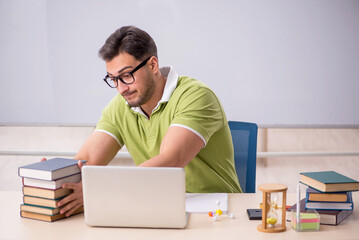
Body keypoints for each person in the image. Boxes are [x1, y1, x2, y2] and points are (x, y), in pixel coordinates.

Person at [55, 26, 241, 217]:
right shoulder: (120, 106)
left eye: (127, 76)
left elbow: (171, 161)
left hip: (216, 211)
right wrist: (54, 177)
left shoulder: (196, 96)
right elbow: (86, 161)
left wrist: (98, 190)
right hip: (156, 208)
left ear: (152, 65)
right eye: (113, 79)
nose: (121, 89)